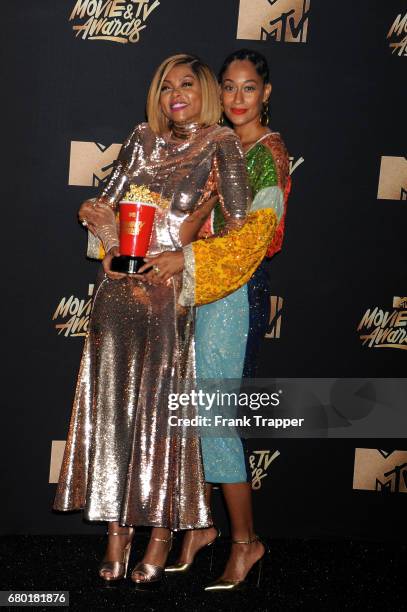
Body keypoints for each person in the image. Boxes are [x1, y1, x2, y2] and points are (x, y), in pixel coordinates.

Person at [53, 53, 256, 588]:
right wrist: (107, 228)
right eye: (166, 87)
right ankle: (117, 535)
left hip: (169, 297)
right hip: (120, 292)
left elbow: (240, 229)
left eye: (187, 84)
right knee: (113, 413)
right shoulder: (142, 137)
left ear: (206, 90)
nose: (175, 95)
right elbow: (104, 203)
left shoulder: (221, 144)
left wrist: (184, 249)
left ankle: (161, 534)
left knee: (163, 419)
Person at [147, 49, 290, 591]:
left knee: (212, 416)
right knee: (190, 412)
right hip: (196, 287)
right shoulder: (221, 144)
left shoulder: (267, 153)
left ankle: (246, 543)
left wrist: (184, 258)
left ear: (266, 94)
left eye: (248, 88)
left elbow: (253, 241)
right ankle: (202, 526)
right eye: (227, 87)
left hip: (233, 292)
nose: (235, 98)